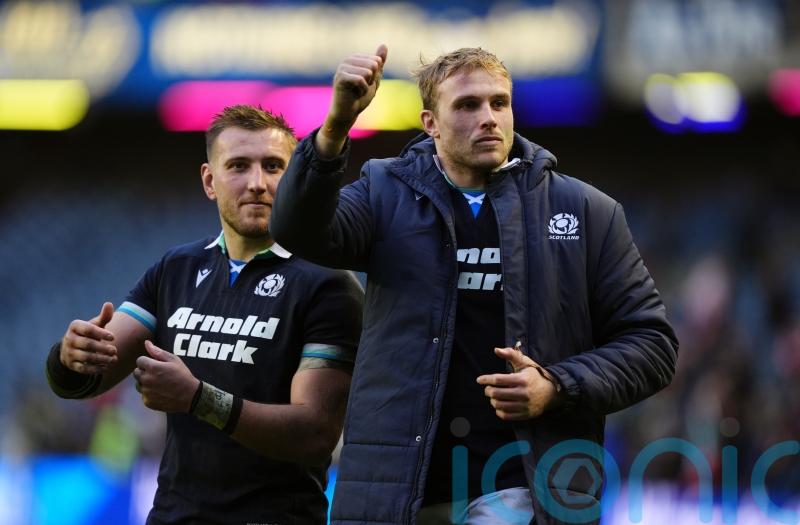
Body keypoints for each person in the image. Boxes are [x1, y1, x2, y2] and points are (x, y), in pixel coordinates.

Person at [269, 46, 678, 525]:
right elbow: (297, 230)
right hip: (396, 492)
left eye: (498, 103)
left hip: (521, 485)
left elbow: (653, 345)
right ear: (431, 123)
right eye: (466, 106)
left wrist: (556, 385)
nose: (488, 118)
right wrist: (336, 125)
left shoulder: (587, 211)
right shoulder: (384, 193)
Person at [45, 105, 364, 525]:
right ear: (210, 181)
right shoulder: (175, 268)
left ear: (295, 179)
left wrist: (199, 399)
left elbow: (314, 434)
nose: (257, 183)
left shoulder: (328, 284)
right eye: (238, 166)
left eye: (273, 166)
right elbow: (86, 379)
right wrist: (71, 357)